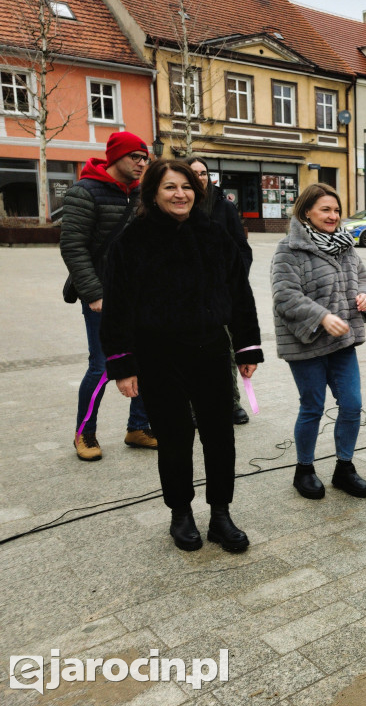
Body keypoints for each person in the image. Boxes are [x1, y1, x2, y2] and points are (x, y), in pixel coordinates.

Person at [101, 159, 263, 553]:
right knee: (174, 437)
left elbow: (240, 294)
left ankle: (221, 513)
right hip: (158, 355)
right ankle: (181, 513)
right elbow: (118, 308)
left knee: (220, 436)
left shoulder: (214, 234)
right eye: (170, 187)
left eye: (187, 186)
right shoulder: (132, 240)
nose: (180, 194)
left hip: (209, 349)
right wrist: (122, 365)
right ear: (153, 193)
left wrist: (246, 346)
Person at [271, 183, 366, 500]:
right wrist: (321, 317)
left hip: (343, 341)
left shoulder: (346, 246)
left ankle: (344, 467)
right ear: (306, 212)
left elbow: (365, 278)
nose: (333, 216)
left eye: (337, 210)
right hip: (306, 343)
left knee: (353, 404)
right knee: (312, 407)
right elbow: (284, 296)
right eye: (325, 209)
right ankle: (304, 469)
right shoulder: (288, 249)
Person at [60, 131, 157, 461]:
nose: (142, 163)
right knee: (102, 366)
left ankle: (138, 426)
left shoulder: (142, 193)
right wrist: (94, 293)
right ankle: (84, 432)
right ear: (116, 157)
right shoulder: (84, 191)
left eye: (145, 158)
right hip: (102, 295)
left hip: (139, 295)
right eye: (135, 157)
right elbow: (73, 247)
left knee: (145, 359)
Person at [187, 156, 253, 425]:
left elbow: (242, 249)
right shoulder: (175, 206)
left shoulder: (224, 207)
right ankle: (192, 406)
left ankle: (231, 401)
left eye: (204, 173)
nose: (201, 177)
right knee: (189, 353)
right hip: (186, 298)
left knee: (225, 350)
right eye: (195, 173)